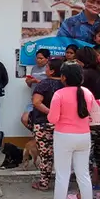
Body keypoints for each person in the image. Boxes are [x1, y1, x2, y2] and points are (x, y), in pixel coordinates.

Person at [45, 63, 97, 199]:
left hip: (64, 136)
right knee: (83, 174)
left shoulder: (59, 94)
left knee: (62, 174)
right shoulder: (87, 93)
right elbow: (93, 114)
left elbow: (52, 118)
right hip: (84, 136)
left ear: (63, 77)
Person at [68, 47, 100, 199]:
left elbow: (79, 99)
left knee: (84, 157)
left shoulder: (83, 76)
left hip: (90, 119)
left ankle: (82, 196)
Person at [30, 58, 64, 191]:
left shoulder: (44, 84)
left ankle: (44, 183)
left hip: (43, 123)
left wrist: (51, 113)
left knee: (46, 155)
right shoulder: (65, 85)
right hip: (62, 124)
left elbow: (37, 102)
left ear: (52, 70)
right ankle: (63, 183)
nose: (45, 69)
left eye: (48, 67)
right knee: (63, 154)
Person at [21, 49, 50, 131]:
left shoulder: (49, 69)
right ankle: (37, 135)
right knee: (24, 119)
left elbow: (51, 83)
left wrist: (38, 81)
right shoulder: (34, 68)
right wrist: (29, 82)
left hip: (45, 100)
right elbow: (31, 86)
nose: (38, 60)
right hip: (34, 97)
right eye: (37, 58)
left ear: (47, 59)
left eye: (41, 58)